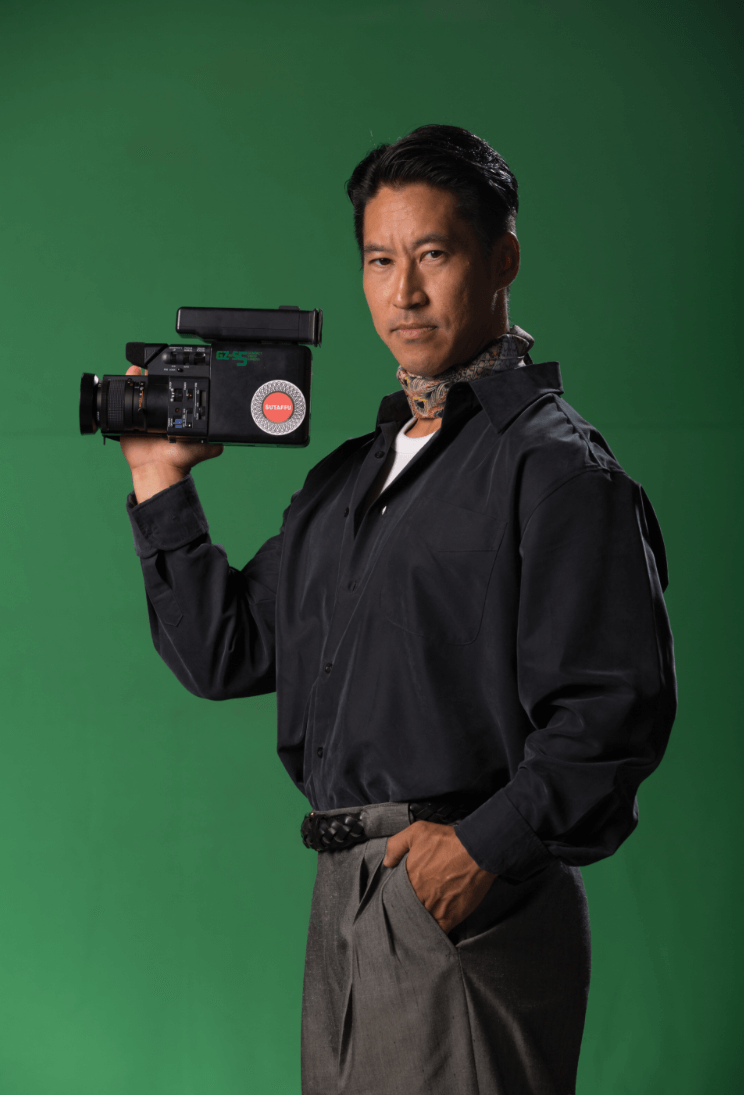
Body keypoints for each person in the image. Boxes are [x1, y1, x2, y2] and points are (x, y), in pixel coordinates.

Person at [120, 125, 676, 1095]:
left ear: (501, 259)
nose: (403, 292)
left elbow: (612, 712)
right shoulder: (350, 481)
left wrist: (478, 856)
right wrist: (160, 485)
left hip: (467, 894)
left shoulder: (553, 472)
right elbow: (228, 652)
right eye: (381, 260)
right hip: (345, 892)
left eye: (434, 254)